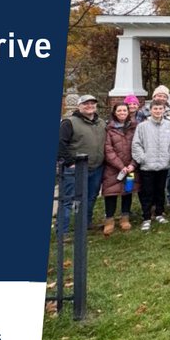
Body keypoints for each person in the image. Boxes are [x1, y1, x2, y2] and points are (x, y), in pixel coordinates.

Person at [57, 94, 106, 239]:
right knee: (67, 199)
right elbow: (60, 144)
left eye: (92, 103)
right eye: (86, 103)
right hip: (75, 168)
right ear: (79, 106)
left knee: (90, 197)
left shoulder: (101, 123)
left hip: (96, 167)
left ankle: (85, 223)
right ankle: (63, 231)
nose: (89, 106)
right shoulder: (69, 122)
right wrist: (69, 162)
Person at [131, 99, 170, 231]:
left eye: (160, 109)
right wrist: (142, 158)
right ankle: (146, 217)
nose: (158, 111)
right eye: (155, 109)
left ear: (164, 110)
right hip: (147, 165)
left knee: (160, 190)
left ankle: (159, 213)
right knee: (147, 192)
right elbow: (136, 144)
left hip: (163, 163)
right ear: (151, 110)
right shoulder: (142, 126)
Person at [100, 102, 137, 236]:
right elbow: (108, 149)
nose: (122, 113)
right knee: (111, 193)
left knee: (128, 191)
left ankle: (125, 217)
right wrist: (121, 166)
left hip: (131, 166)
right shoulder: (109, 129)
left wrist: (133, 164)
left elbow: (138, 145)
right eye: (119, 111)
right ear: (115, 113)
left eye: (124, 110)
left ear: (128, 112)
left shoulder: (134, 127)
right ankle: (109, 220)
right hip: (113, 167)